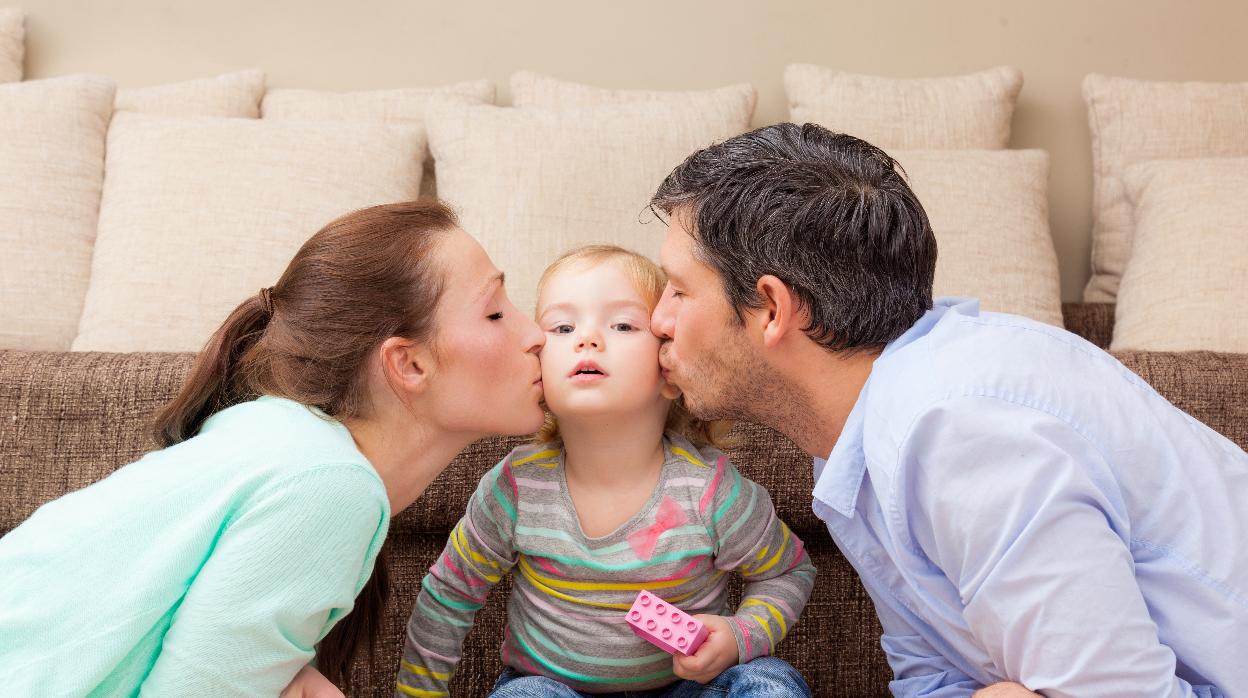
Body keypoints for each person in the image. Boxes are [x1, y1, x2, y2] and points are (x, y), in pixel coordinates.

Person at [646, 123, 1247, 697]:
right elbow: (932, 674)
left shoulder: (959, 431)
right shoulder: (857, 440)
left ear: (773, 309)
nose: (659, 321)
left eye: (678, 290)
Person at [0, 200, 547, 696]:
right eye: (495, 312)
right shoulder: (329, 485)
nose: (539, 334)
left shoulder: (286, 440)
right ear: (408, 364)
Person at [397, 245, 816, 698]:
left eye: (622, 325)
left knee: (768, 683)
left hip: (690, 690)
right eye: (562, 327)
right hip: (553, 689)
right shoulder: (516, 488)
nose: (588, 339)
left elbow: (788, 572)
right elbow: (449, 595)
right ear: (537, 366)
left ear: (669, 368)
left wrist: (740, 635)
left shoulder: (710, 489)